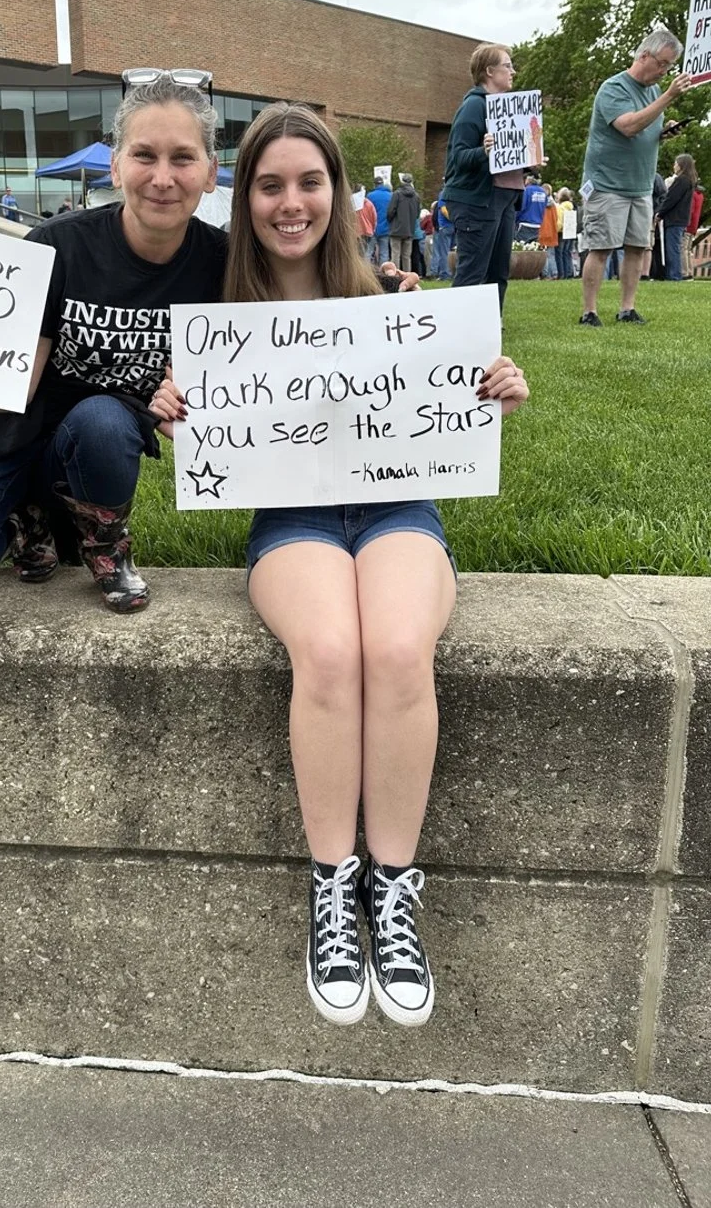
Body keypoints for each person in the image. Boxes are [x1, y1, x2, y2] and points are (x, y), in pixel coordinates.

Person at [152, 104, 528, 1028]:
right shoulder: (223, 317)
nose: (291, 203)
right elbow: (206, 440)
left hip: (401, 503)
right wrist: (173, 409)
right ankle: (333, 887)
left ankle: (393, 893)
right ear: (246, 200)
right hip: (293, 518)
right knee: (328, 651)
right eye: (270, 184)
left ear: (340, 192)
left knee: (398, 648)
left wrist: (498, 386)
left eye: (309, 182)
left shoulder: (394, 297)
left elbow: (458, 388)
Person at [0, 70, 227, 613]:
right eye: (145, 155)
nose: (163, 177)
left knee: (102, 419)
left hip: (99, 437)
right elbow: (15, 381)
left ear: (212, 172)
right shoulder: (57, 244)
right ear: (117, 163)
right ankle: (28, 513)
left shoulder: (223, 263)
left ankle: (104, 545)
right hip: (11, 425)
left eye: (183, 158)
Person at [577, 29, 691, 327]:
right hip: (608, 184)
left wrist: (664, 132)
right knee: (600, 247)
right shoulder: (613, 88)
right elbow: (628, 126)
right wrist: (669, 96)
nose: (664, 71)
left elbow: (646, 128)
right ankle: (590, 311)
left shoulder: (653, 91)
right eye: (662, 63)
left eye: (669, 66)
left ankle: (627, 308)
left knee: (637, 248)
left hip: (640, 185)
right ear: (644, 55)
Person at [442, 44, 524, 314]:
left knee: (498, 269)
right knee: (473, 271)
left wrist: (529, 161)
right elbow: (458, 158)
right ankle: (458, 326)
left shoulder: (507, 109)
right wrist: (484, 151)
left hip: (502, 199)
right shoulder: (474, 107)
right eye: (507, 65)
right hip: (476, 201)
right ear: (489, 71)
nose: (513, 71)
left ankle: (490, 325)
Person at [657, 154, 697, 282]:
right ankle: (674, 274)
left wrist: (660, 213)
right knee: (675, 247)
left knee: (672, 248)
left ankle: (674, 275)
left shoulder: (681, 181)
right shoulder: (689, 181)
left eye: (675, 163)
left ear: (681, 165)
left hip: (674, 219)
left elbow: (671, 199)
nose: (674, 166)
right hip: (681, 219)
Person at [387, 172, 420, 272]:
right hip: (409, 229)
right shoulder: (416, 196)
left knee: (395, 254)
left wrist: (391, 220)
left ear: (402, 181)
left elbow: (390, 211)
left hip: (397, 228)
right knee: (406, 256)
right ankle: (407, 277)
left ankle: (396, 276)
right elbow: (418, 214)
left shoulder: (397, 194)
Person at [429, 187, 454, 281]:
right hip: (454, 226)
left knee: (443, 252)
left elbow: (443, 210)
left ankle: (445, 274)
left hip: (445, 226)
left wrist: (451, 218)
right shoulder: (454, 192)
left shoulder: (443, 193)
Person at [366, 175, 392, 264]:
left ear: (375, 184)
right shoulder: (390, 196)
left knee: (369, 251)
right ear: (383, 184)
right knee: (384, 252)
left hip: (373, 228)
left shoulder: (370, 196)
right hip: (386, 228)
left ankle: (366, 272)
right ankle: (384, 273)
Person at [515, 174, 547, 244]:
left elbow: (521, 207)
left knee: (520, 248)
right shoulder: (543, 192)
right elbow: (544, 207)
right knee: (533, 248)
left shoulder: (526, 190)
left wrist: (515, 219)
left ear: (528, 180)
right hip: (537, 224)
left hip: (524, 224)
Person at [684, 176, 704, 280]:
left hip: (688, 225)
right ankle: (690, 271)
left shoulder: (692, 195)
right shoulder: (700, 195)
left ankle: (685, 272)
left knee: (683, 249)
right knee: (688, 250)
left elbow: (690, 211)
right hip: (694, 226)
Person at [555, 188, 576, 279]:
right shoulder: (572, 207)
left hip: (561, 233)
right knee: (567, 253)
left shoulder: (560, 207)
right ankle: (569, 272)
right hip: (571, 232)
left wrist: (556, 230)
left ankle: (561, 274)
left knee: (559, 253)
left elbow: (559, 222)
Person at [538, 186, 559, 278]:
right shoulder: (554, 205)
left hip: (543, 230)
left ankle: (545, 274)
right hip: (552, 231)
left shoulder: (542, 204)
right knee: (551, 255)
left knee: (544, 254)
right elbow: (556, 218)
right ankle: (554, 273)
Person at [354, 185, 377, 256]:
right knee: (365, 253)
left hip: (355, 232)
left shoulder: (351, 203)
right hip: (367, 231)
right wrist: (373, 229)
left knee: (356, 253)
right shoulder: (369, 204)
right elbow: (374, 218)